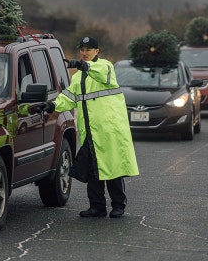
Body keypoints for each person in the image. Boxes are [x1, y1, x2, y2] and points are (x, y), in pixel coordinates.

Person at [39, 36, 139, 218]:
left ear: (96, 51)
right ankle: (97, 207)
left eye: (88, 50)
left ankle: (118, 205)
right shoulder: (77, 78)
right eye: (82, 50)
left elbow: (101, 73)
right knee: (93, 170)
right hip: (89, 131)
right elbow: (68, 97)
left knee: (112, 168)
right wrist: (52, 106)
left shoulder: (105, 66)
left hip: (108, 130)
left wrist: (84, 65)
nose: (84, 53)